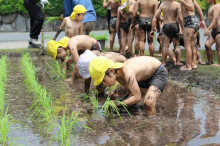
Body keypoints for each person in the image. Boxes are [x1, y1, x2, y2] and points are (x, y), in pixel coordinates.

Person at [89, 56, 168, 116]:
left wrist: (117, 104)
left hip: (158, 72)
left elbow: (137, 98)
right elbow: (131, 93)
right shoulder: (118, 74)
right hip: (143, 78)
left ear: (111, 71)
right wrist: (119, 101)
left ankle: (152, 124)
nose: (104, 84)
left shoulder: (127, 74)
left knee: (148, 103)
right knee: (129, 103)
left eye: (103, 80)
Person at [150, 0, 184, 66]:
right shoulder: (177, 4)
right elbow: (180, 17)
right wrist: (183, 28)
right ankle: (178, 62)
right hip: (174, 25)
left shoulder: (162, 4)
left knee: (165, 45)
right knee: (177, 45)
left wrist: (152, 29)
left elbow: (155, 17)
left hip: (166, 25)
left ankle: (163, 62)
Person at [178, 0, 206, 70]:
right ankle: (193, 64)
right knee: (193, 45)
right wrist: (202, 20)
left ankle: (188, 66)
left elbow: (191, 8)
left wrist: (182, 2)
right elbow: (198, 8)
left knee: (187, 45)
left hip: (188, 21)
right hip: (195, 20)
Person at [204, 0, 220, 66]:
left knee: (218, 47)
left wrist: (208, 29)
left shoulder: (217, 6)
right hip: (214, 30)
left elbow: (215, 19)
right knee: (207, 45)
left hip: (219, 28)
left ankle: (219, 64)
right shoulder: (210, 6)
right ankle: (210, 62)